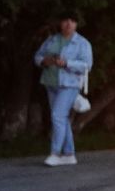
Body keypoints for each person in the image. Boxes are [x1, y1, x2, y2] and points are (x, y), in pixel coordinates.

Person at [33, 12, 93, 167]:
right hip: (51, 82)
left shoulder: (82, 43)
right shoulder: (52, 39)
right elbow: (38, 56)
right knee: (62, 118)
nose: (68, 24)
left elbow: (87, 65)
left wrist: (67, 63)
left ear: (76, 24)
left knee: (57, 116)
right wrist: (43, 61)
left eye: (72, 21)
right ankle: (69, 154)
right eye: (65, 20)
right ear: (60, 23)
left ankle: (55, 153)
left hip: (69, 84)